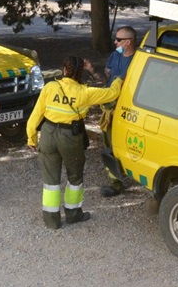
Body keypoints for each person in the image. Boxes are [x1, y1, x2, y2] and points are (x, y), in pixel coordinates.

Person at [27, 56, 124, 229]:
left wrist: (31, 137)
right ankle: (73, 214)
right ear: (80, 73)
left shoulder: (50, 87)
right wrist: (117, 80)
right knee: (75, 178)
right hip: (70, 137)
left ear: (64, 70)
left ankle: (52, 221)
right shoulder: (85, 92)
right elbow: (112, 93)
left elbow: (36, 115)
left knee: (50, 181)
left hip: (48, 134)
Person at [85, 25, 137, 197]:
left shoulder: (139, 61)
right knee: (109, 146)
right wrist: (92, 70)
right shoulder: (115, 56)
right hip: (110, 110)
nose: (115, 42)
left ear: (128, 42)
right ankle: (115, 183)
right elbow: (105, 79)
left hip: (128, 111)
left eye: (119, 40)